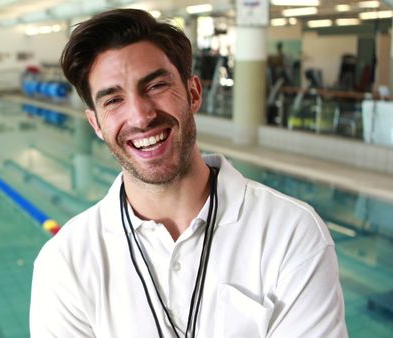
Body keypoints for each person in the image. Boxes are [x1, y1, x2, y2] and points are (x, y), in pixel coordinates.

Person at [30, 9, 347, 338]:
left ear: (193, 93)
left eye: (155, 86)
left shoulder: (288, 232)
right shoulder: (65, 262)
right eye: (113, 100)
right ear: (96, 124)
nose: (140, 116)